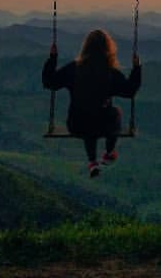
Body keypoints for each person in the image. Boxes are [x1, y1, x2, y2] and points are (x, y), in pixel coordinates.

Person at [42, 28, 142, 177]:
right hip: (103, 126)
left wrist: (52, 59)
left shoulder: (73, 69)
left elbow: (49, 82)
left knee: (87, 118)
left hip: (76, 125)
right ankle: (109, 152)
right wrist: (136, 69)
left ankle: (92, 162)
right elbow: (130, 91)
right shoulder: (110, 73)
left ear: (85, 48)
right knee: (115, 113)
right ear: (108, 50)